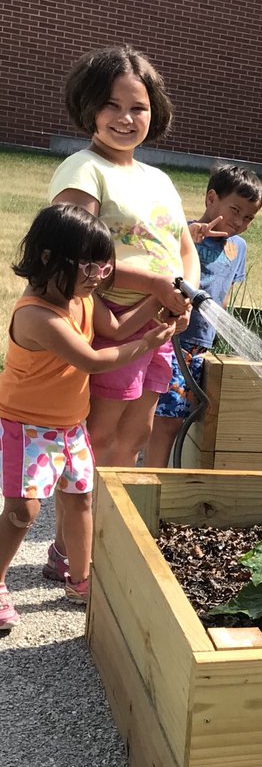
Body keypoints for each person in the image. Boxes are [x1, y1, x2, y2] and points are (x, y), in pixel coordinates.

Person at [43, 45, 198, 581]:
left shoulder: (158, 179)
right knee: (98, 439)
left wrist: (185, 293)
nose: (126, 118)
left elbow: (183, 249)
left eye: (138, 106)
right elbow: (76, 254)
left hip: (158, 329)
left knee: (134, 436)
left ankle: (104, 535)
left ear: (154, 110)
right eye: (111, 106)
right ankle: (69, 549)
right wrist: (156, 284)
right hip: (112, 327)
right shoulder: (83, 170)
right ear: (87, 108)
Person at [0, 205, 180, 628]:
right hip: (28, 428)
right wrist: (153, 337)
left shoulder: (82, 298)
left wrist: (160, 304)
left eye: (104, 265)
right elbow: (97, 360)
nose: (99, 275)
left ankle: (79, 578)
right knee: (23, 511)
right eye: (89, 264)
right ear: (47, 258)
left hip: (69, 426)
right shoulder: (37, 316)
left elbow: (115, 330)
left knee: (80, 499)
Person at [145, 165, 262, 468]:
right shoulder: (182, 234)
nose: (240, 221)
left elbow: (221, 298)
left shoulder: (238, 248)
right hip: (170, 342)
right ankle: (150, 485)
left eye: (249, 217)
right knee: (162, 423)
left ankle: (158, 483)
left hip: (200, 347)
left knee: (180, 420)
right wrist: (190, 238)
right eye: (235, 210)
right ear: (211, 198)